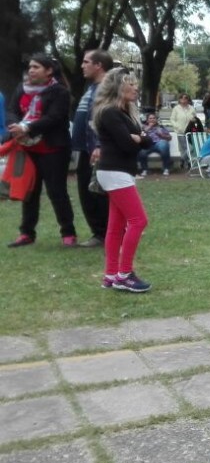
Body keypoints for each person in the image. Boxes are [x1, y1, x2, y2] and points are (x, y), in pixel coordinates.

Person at [6, 55, 78, 247]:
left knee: (56, 191)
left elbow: (54, 118)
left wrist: (26, 128)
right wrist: (15, 126)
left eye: (36, 67)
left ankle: (68, 232)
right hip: (28, 148)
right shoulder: (21, 88)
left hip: (53, 149)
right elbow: (12, 111)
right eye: (30, 67)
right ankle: (26, 233)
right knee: (30, 190)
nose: (31, 70)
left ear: (49, 71)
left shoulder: (59, 91)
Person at [92, 69, 153, 293]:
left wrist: (138, 138)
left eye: (136, 84)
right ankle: (124, 274)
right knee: (138, 221)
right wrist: (137, 139)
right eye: (131, 84)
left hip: (119, 172)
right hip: (114, 172)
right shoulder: (109, 112)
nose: (136, 88)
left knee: (116, 225)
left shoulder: (125, 112)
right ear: (118, 87)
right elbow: (128, 145)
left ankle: (111, 275)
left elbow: (148, 141)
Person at [71, 49, 112, 248]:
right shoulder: (93, 87)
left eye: (86, 62)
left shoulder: (106, 89)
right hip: (86, 149)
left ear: (98, 65)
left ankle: (104, 234)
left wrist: (99, 144)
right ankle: (101, 232)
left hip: (95, 150)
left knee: (96, 194)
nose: (82, 65)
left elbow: (106, 119)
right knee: (88, 192)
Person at [169, 94, 193, 170]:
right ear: (179, 100)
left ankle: (182, 160)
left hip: (190, 131)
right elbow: (172, 119)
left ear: (188, 100)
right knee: (185, 148)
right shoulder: (176, 108)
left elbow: (194, 118)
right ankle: (187, 163)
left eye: (186, 98)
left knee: (190, 148)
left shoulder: (191, 108)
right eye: (182, 98)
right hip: (180, 131)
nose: (184, 100)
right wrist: (177, 127)